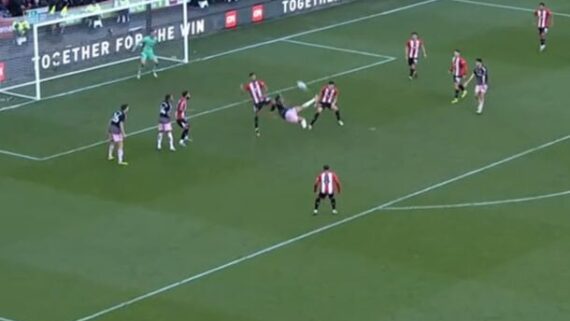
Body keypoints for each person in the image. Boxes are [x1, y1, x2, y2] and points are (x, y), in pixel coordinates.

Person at [242, 72, 273, 137]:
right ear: (250, 78)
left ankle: (272, 110)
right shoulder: (248, 85)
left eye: (254, 76)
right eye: (252, 77)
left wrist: (265, 93)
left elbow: (265, 87)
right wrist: (242, 88)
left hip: (262, 99)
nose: (253, 77)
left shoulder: (259, 82)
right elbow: (244, 91)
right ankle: (256, 129)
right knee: (256, 115)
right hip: (256, 103)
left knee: (272, 101)